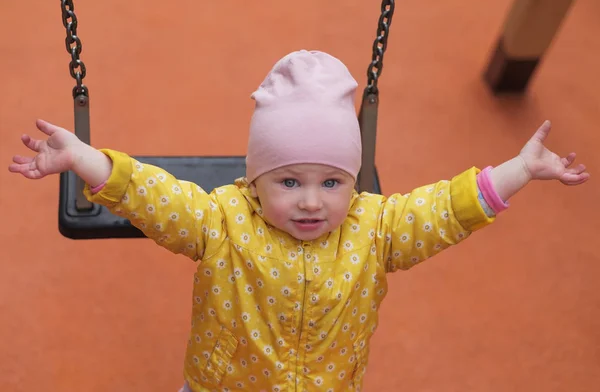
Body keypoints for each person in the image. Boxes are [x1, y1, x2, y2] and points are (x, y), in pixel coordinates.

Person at [8, 50, 589, 392]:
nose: (312, 202)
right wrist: (86, 159)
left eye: (332, 182)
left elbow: (444, 212)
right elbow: (151, 195)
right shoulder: (220, 221)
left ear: (352, 183)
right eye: (289, 182)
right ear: (253, 180)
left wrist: (517, 170)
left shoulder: (375, 227)